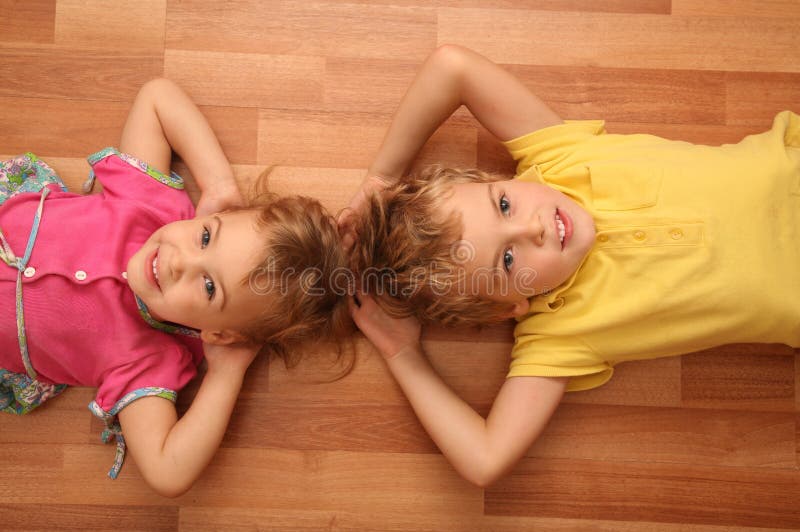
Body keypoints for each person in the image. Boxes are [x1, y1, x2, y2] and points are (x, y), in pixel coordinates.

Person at [342, 45, 800, 487]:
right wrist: (403, 354)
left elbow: (452, 67)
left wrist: (380, 178)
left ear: (498, 180)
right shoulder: (560, 334)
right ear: (508, 307)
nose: (531, 228)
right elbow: (484, 460)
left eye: (504, 204)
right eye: (506, 259)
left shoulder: (558, 160)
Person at [0, 78, 350, 497]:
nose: (179, 260)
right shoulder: (150, 205)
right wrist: (218, 183)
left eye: (207, 286)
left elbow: (168, 472)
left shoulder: (149, 359)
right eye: (205, 237)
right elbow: (157, 97)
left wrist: (226, 372)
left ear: (220, 333)